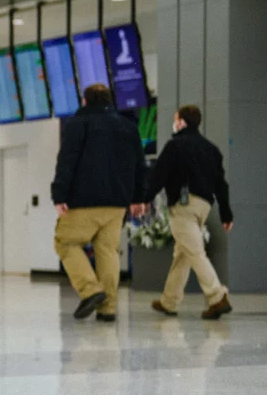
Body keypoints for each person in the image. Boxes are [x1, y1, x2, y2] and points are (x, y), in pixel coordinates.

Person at [51, 84, 148, 322]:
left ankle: (90, 290)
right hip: (117, 204)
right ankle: (108, 308)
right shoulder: (128, 127)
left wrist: (59, 194)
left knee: (65, 242)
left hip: (84, 200)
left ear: (85, 102)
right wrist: (139, 198)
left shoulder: (78, 124)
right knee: (107, 251)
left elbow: (67, 161)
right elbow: (139, 165)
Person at [145, 105, 234, 319]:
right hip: (203, 206)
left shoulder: (175, 146)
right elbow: (221, 184)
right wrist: (226, 213)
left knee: (194, 252)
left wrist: (143, 199)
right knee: (183, 253)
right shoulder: (212, 149)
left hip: (183, 206)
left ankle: (217, 295)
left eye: (175, 119)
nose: (173, 123)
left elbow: (159, 176)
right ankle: (170, 301)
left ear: (182, 122)